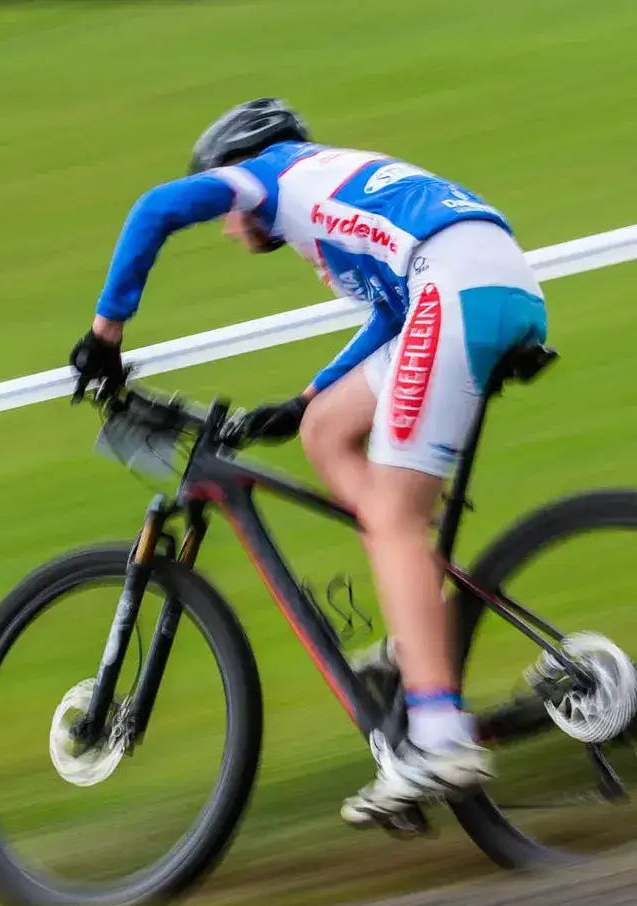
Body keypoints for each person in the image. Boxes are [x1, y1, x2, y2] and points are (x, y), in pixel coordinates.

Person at [69, 98, 549, 829]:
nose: (231, 227)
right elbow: (393, 315)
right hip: (480, 281)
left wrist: (106, 335)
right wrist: (305, 399)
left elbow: (155, 209)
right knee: (327, 432)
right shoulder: (330, 186)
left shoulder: (269, 176)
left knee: (391, 512)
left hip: (455, 288)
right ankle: (418, 625)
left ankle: (438, 739)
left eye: (228, 210)